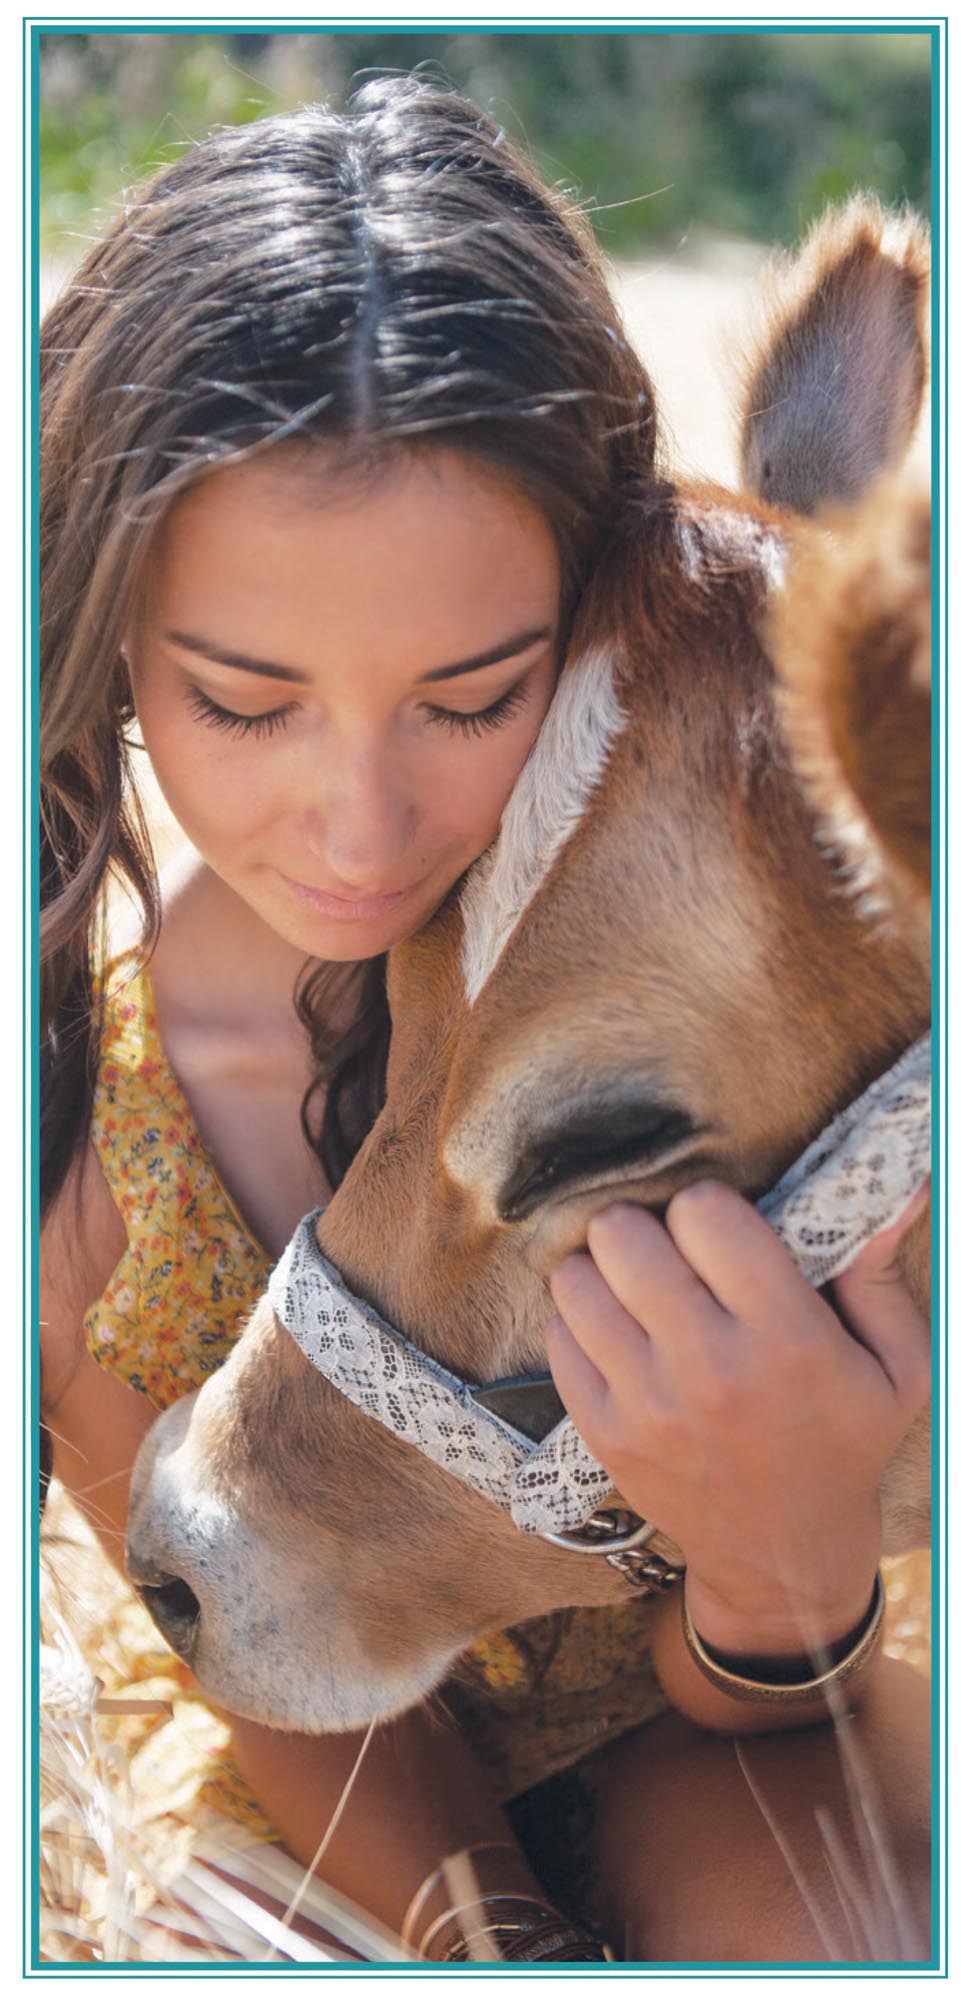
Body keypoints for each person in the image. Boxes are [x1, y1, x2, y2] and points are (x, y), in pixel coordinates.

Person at [40, 77, 930, 1965]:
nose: (360, 835)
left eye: (472, 696)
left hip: (741, 1718)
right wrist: (486, 1936)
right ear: (105, 635)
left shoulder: (730, 980)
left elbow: (778, 1702)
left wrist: (783, 1567)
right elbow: (237, 1650)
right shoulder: (79, 1107)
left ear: (602, 599)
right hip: (354, 1783)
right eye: (244, 702)